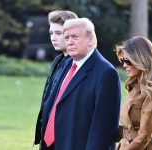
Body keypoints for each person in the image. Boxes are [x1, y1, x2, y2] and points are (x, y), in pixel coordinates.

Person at [40, 18, 121, 150]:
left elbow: (104, 128)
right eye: (66, 38)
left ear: (91, 40)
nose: (70, 42)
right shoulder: (67, 64)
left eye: (75, 37)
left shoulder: (106, 73)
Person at [115, 36, 152, 150]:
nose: (124, 65)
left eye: (128, 61)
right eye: (123, 60)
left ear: (141, 59)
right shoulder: (135, 86)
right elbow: (130, 130)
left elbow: (144, 135)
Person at [34, 10, 78, 147]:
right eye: (51, 33)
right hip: (47, 132)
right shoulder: (58, 60)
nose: (53, 38)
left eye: (58, 33)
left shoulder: (77, 65)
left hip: (64, 136)